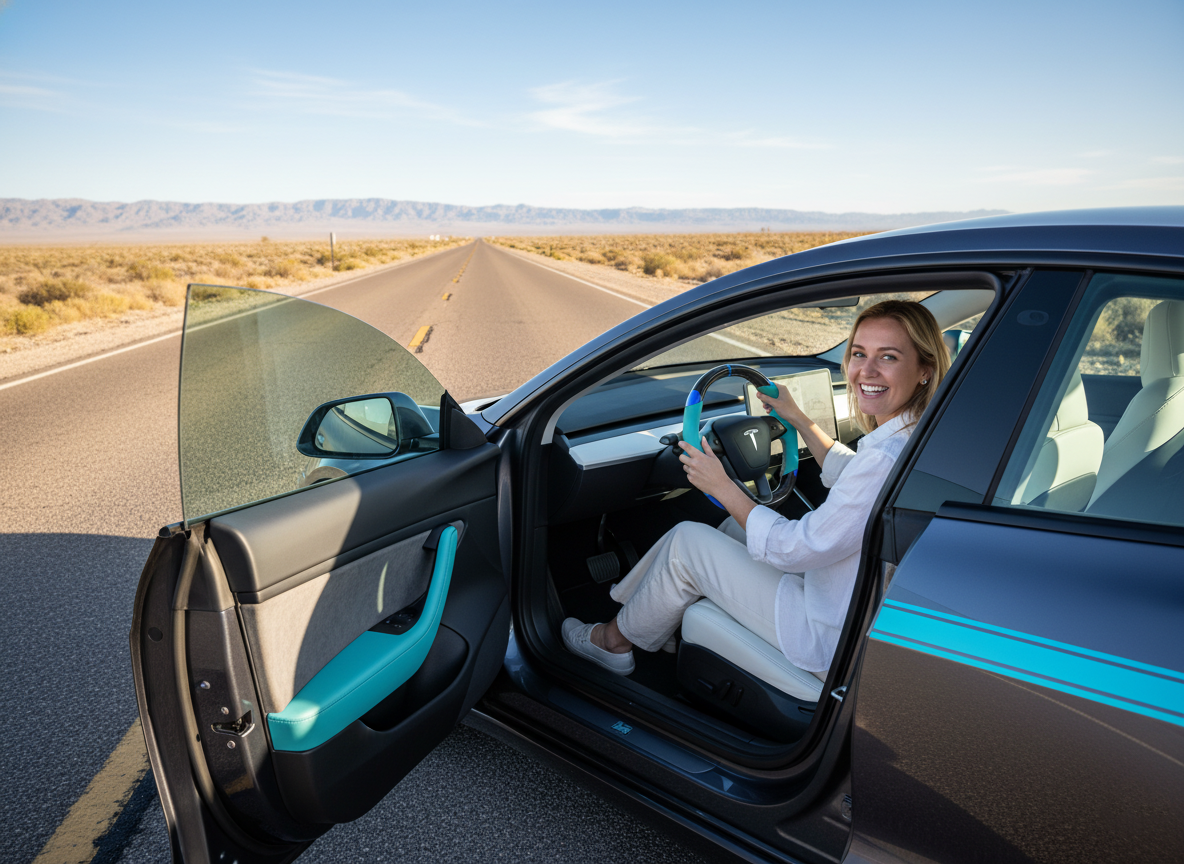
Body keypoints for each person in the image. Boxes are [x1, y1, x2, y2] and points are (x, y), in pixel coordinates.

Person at [562, 299, 951, 677]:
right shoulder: (914, 437)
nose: (865, 371)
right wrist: (798, 419)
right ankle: (653, 621)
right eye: (859, 353)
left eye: (888, 357)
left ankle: (612, 643)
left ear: (924, 370)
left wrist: (723, 486)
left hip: (831, 635)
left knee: (686, 542)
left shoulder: (884, 457)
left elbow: (799, 546)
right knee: (732, 530)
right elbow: (857, 480)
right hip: (852, 602)